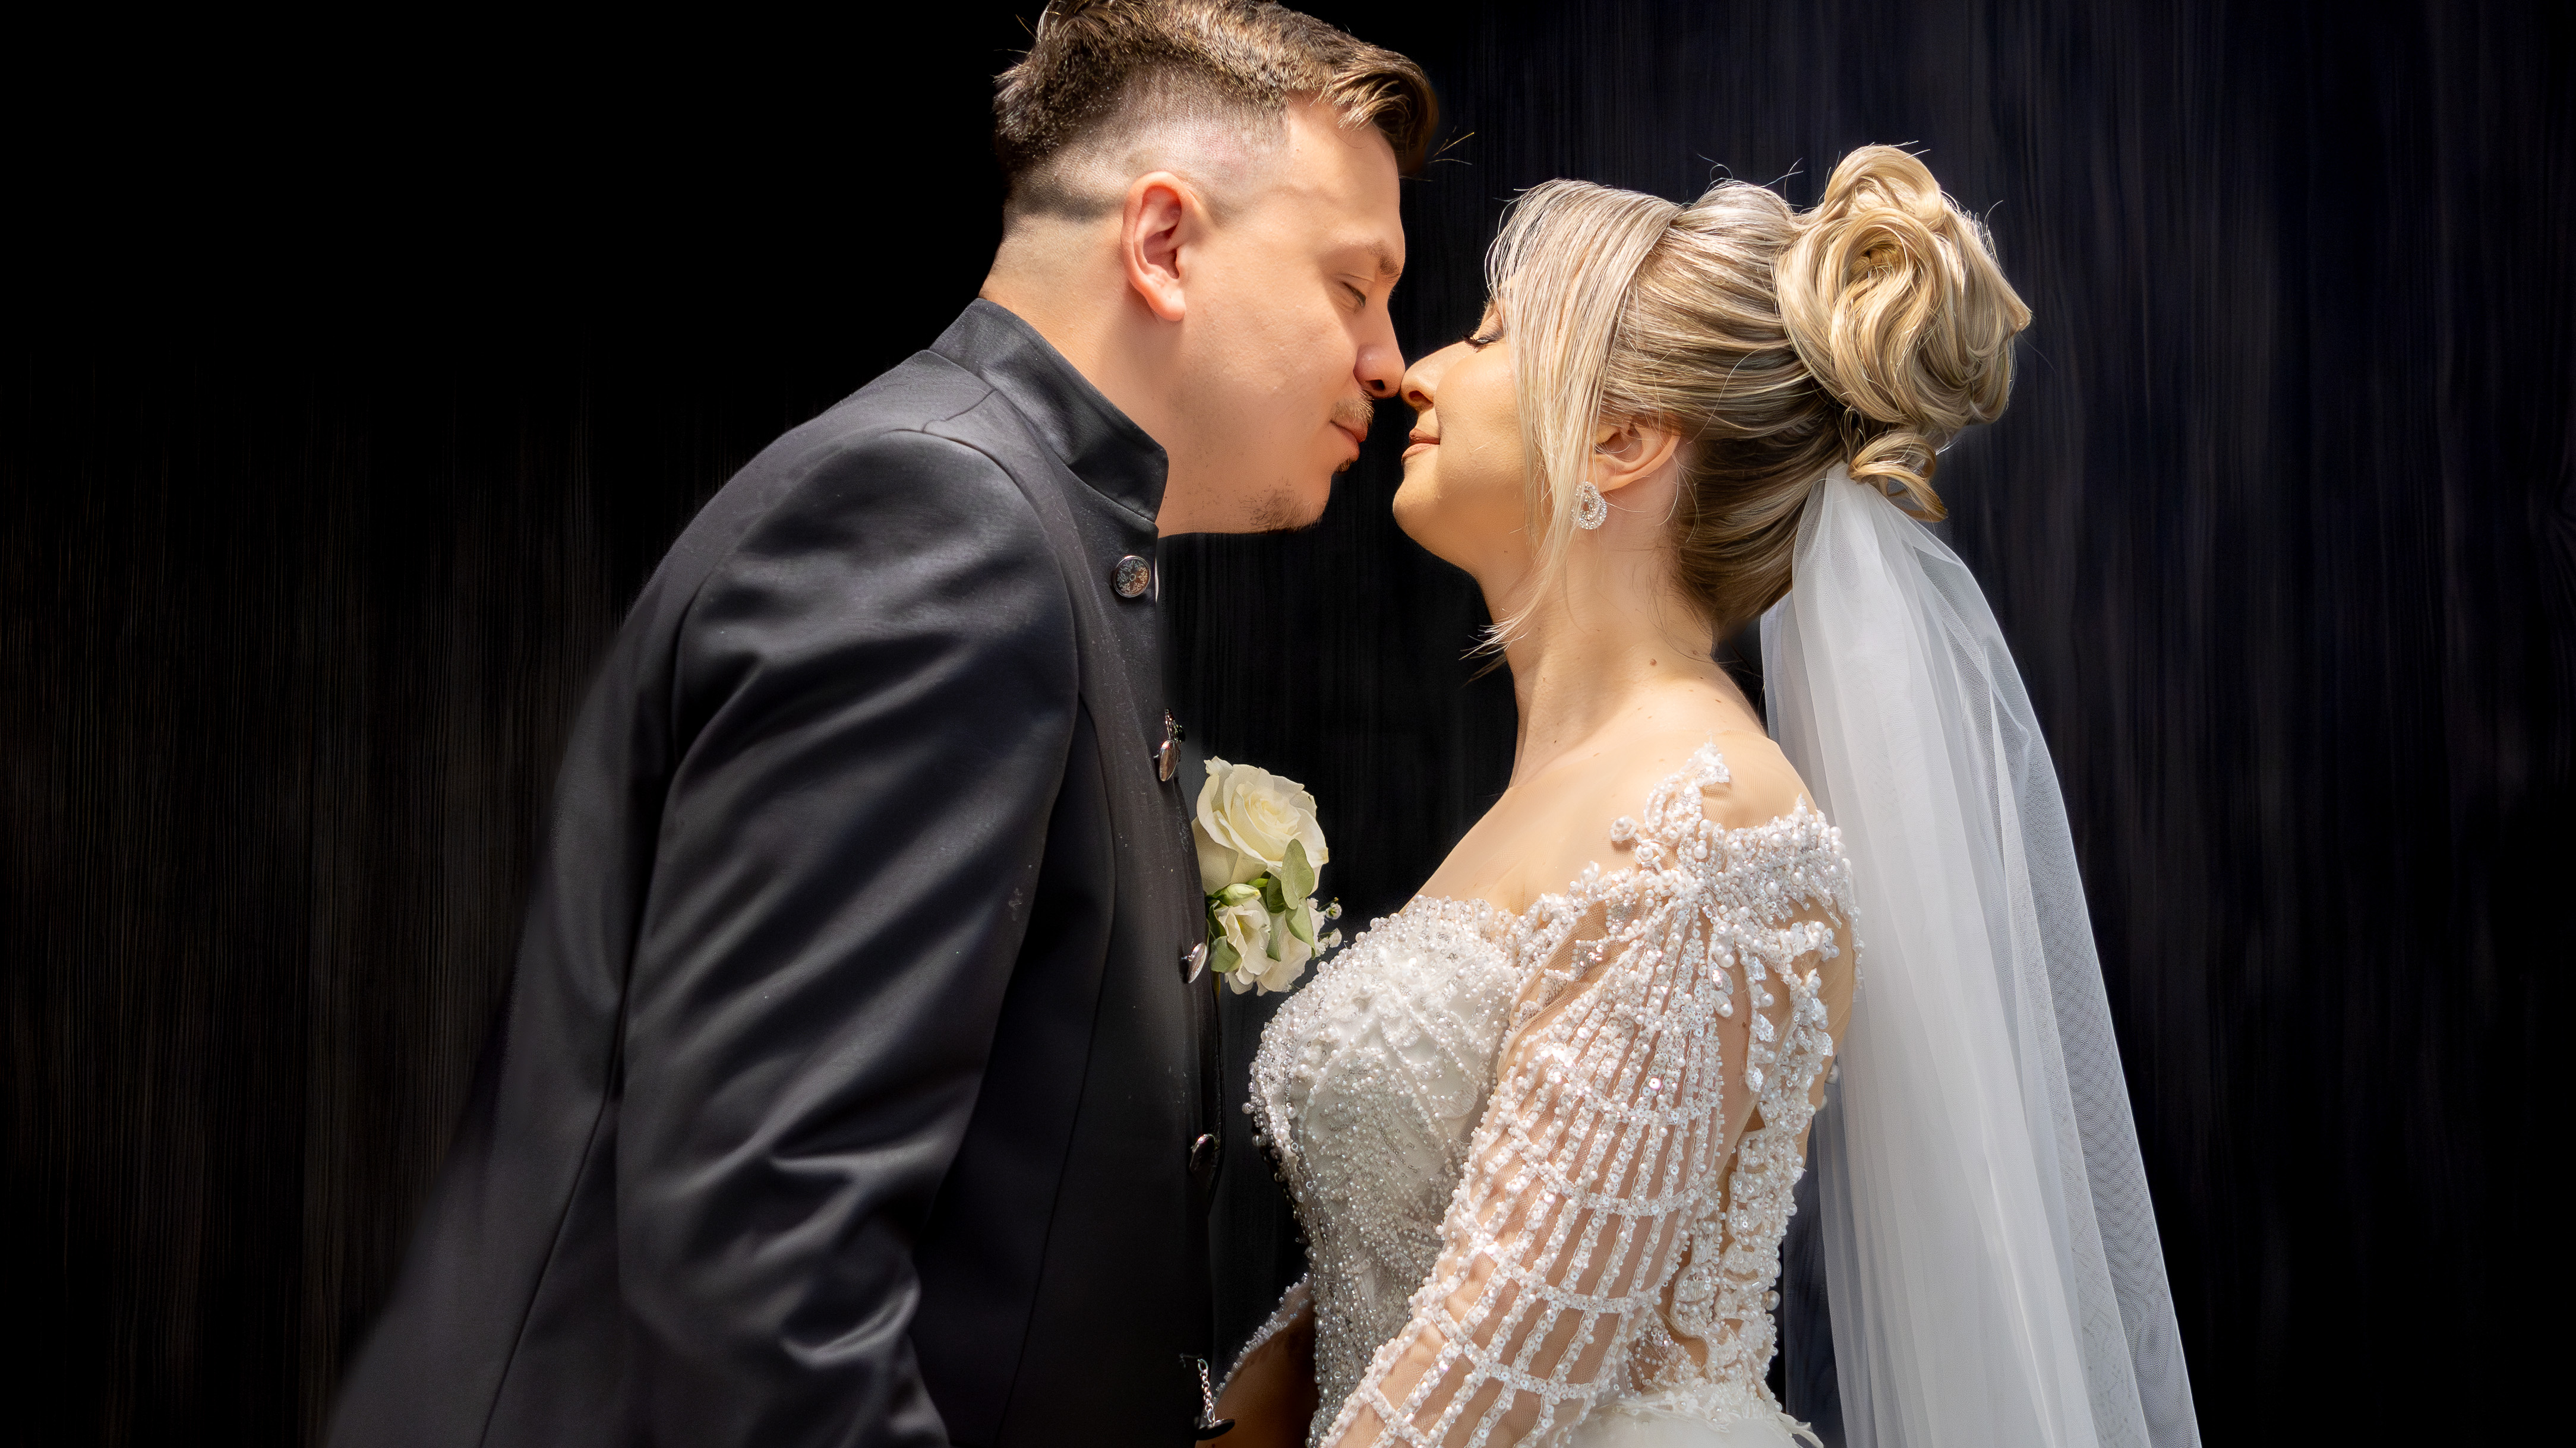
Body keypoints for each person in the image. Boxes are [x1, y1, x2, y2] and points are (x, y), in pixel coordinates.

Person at [326, 5, 1429, 1447]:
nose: (1387, 359)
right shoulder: (942, 521)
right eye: (1352, 285)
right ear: (1162, 244)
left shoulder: (1032, 520)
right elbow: (764, 1270)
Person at [1214, 148, 2200, 1448]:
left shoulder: (1704, 826)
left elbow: (1498, 1365)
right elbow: (1417, 1257)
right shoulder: (1570, 795)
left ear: (1622, 439)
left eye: (1487, 337)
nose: (1417, 372)